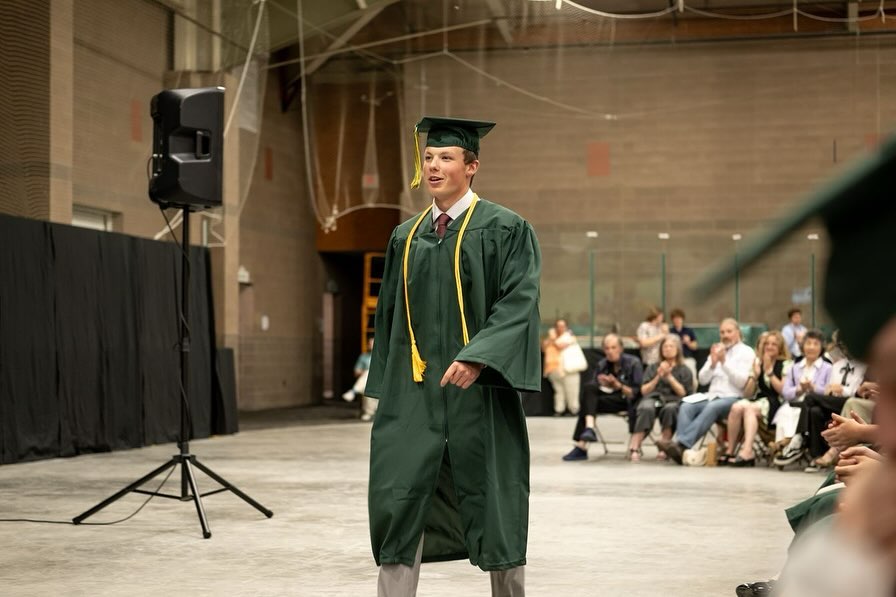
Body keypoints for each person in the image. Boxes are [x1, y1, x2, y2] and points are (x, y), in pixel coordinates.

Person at [364, 116, 541, 597]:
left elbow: (519, 301)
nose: (434, 166)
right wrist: (388, 389)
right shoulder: (405, 237)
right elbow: (389, 319)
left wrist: (479, 356)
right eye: (428, 157)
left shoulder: (505, 228)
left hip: (480, 393)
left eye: (446, 157)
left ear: (472, 166)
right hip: (415, 394)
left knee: (496, 499)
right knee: (398, 498)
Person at [657, 318, 755, 465]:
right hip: (711, 395)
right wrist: (713, 364)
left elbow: (742, 382)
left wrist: (724, 363)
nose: (725, 335)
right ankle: (682, 449)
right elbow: (702, 380)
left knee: (712, 406)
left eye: (729, 331)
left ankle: (682, 445)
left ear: (738, 332)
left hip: (732, 398)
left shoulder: (746, 352)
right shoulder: (717, 349)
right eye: (722, 332)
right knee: (686, 403)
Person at [562, 333, 643, 461]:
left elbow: (636, 393)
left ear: (621, 348)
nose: (610, 351)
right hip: (607, 397)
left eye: (613, 347)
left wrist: (618, 385)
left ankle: (582, 446)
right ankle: (589, 428)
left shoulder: (633, 363)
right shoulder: (602, 364)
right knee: (589, 390)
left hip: (626, 400)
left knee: (588, 404)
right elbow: (593, 386)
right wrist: (603, 383)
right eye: (607, 348)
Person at [723, 330, 791, 467]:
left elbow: (783, 391)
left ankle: (747, 451)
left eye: (774, 344)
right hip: (759, 399)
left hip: (777, 402)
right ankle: (730, 450)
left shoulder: (786, 364)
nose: (769, 347)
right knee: (736, 407)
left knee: (749, 409)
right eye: (767, 344)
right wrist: (755, 375)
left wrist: (770, 372)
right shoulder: (757, 363)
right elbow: (747, 394)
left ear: (780, 347)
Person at [774, 330, 833, 467]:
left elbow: (828, 392)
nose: (811, 347)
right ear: (802, 346)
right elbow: (786, 392)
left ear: (821, 347)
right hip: (794, 403)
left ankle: (793, 444)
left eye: (815, 344)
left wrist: (813, 388)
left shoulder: (828, 368)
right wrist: (799, 389)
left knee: (801, 411)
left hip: (814, 405)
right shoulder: (794, 367)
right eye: (808, 343)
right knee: (785, 412)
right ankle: (785, 445)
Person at [634, 335, 692, 462]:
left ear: (678, 349)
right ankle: (635, 447)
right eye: (665, 346)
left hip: (673, 400)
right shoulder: (652, 367)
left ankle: (664, 447)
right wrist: (658, 376)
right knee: (646, 408)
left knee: (670, 409)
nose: (668, 349)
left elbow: (684, 393)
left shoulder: (684, 370)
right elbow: (644, 390)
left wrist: (669, 376)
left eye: (671, 346)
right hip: (654, 399)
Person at [542, 319, 581, 416]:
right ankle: (559, 410)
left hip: (569, 369)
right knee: (559, 391)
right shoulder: (551, 338)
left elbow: (560, 345)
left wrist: (552, 338)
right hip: (554, 369)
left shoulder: (569, 337)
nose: (560, 328)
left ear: (566, 327)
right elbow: (544, 348)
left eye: (562, 326)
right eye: (558, 326)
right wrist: (551, 338)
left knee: (572, 390)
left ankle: (573, 410)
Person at [342, 337, 378, 421]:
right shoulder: (363, 357)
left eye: (373, 343)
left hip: (380, 379)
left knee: (369, 374)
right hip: (367, 381)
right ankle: (369, 412)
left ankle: (354, 391)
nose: (371, 345)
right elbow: (356, 372)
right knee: (367, 385)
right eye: (370, 344)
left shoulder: (383, 356)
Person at [668, 308, 698, 382]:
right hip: (674, 360)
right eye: (675, 319)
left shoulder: (688, 330)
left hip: (687, 358)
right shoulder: (670, 331)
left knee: (692, 378)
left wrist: (688, 342)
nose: (677, 320)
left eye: (679, 318)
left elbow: (695, 346)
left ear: (682, 319)